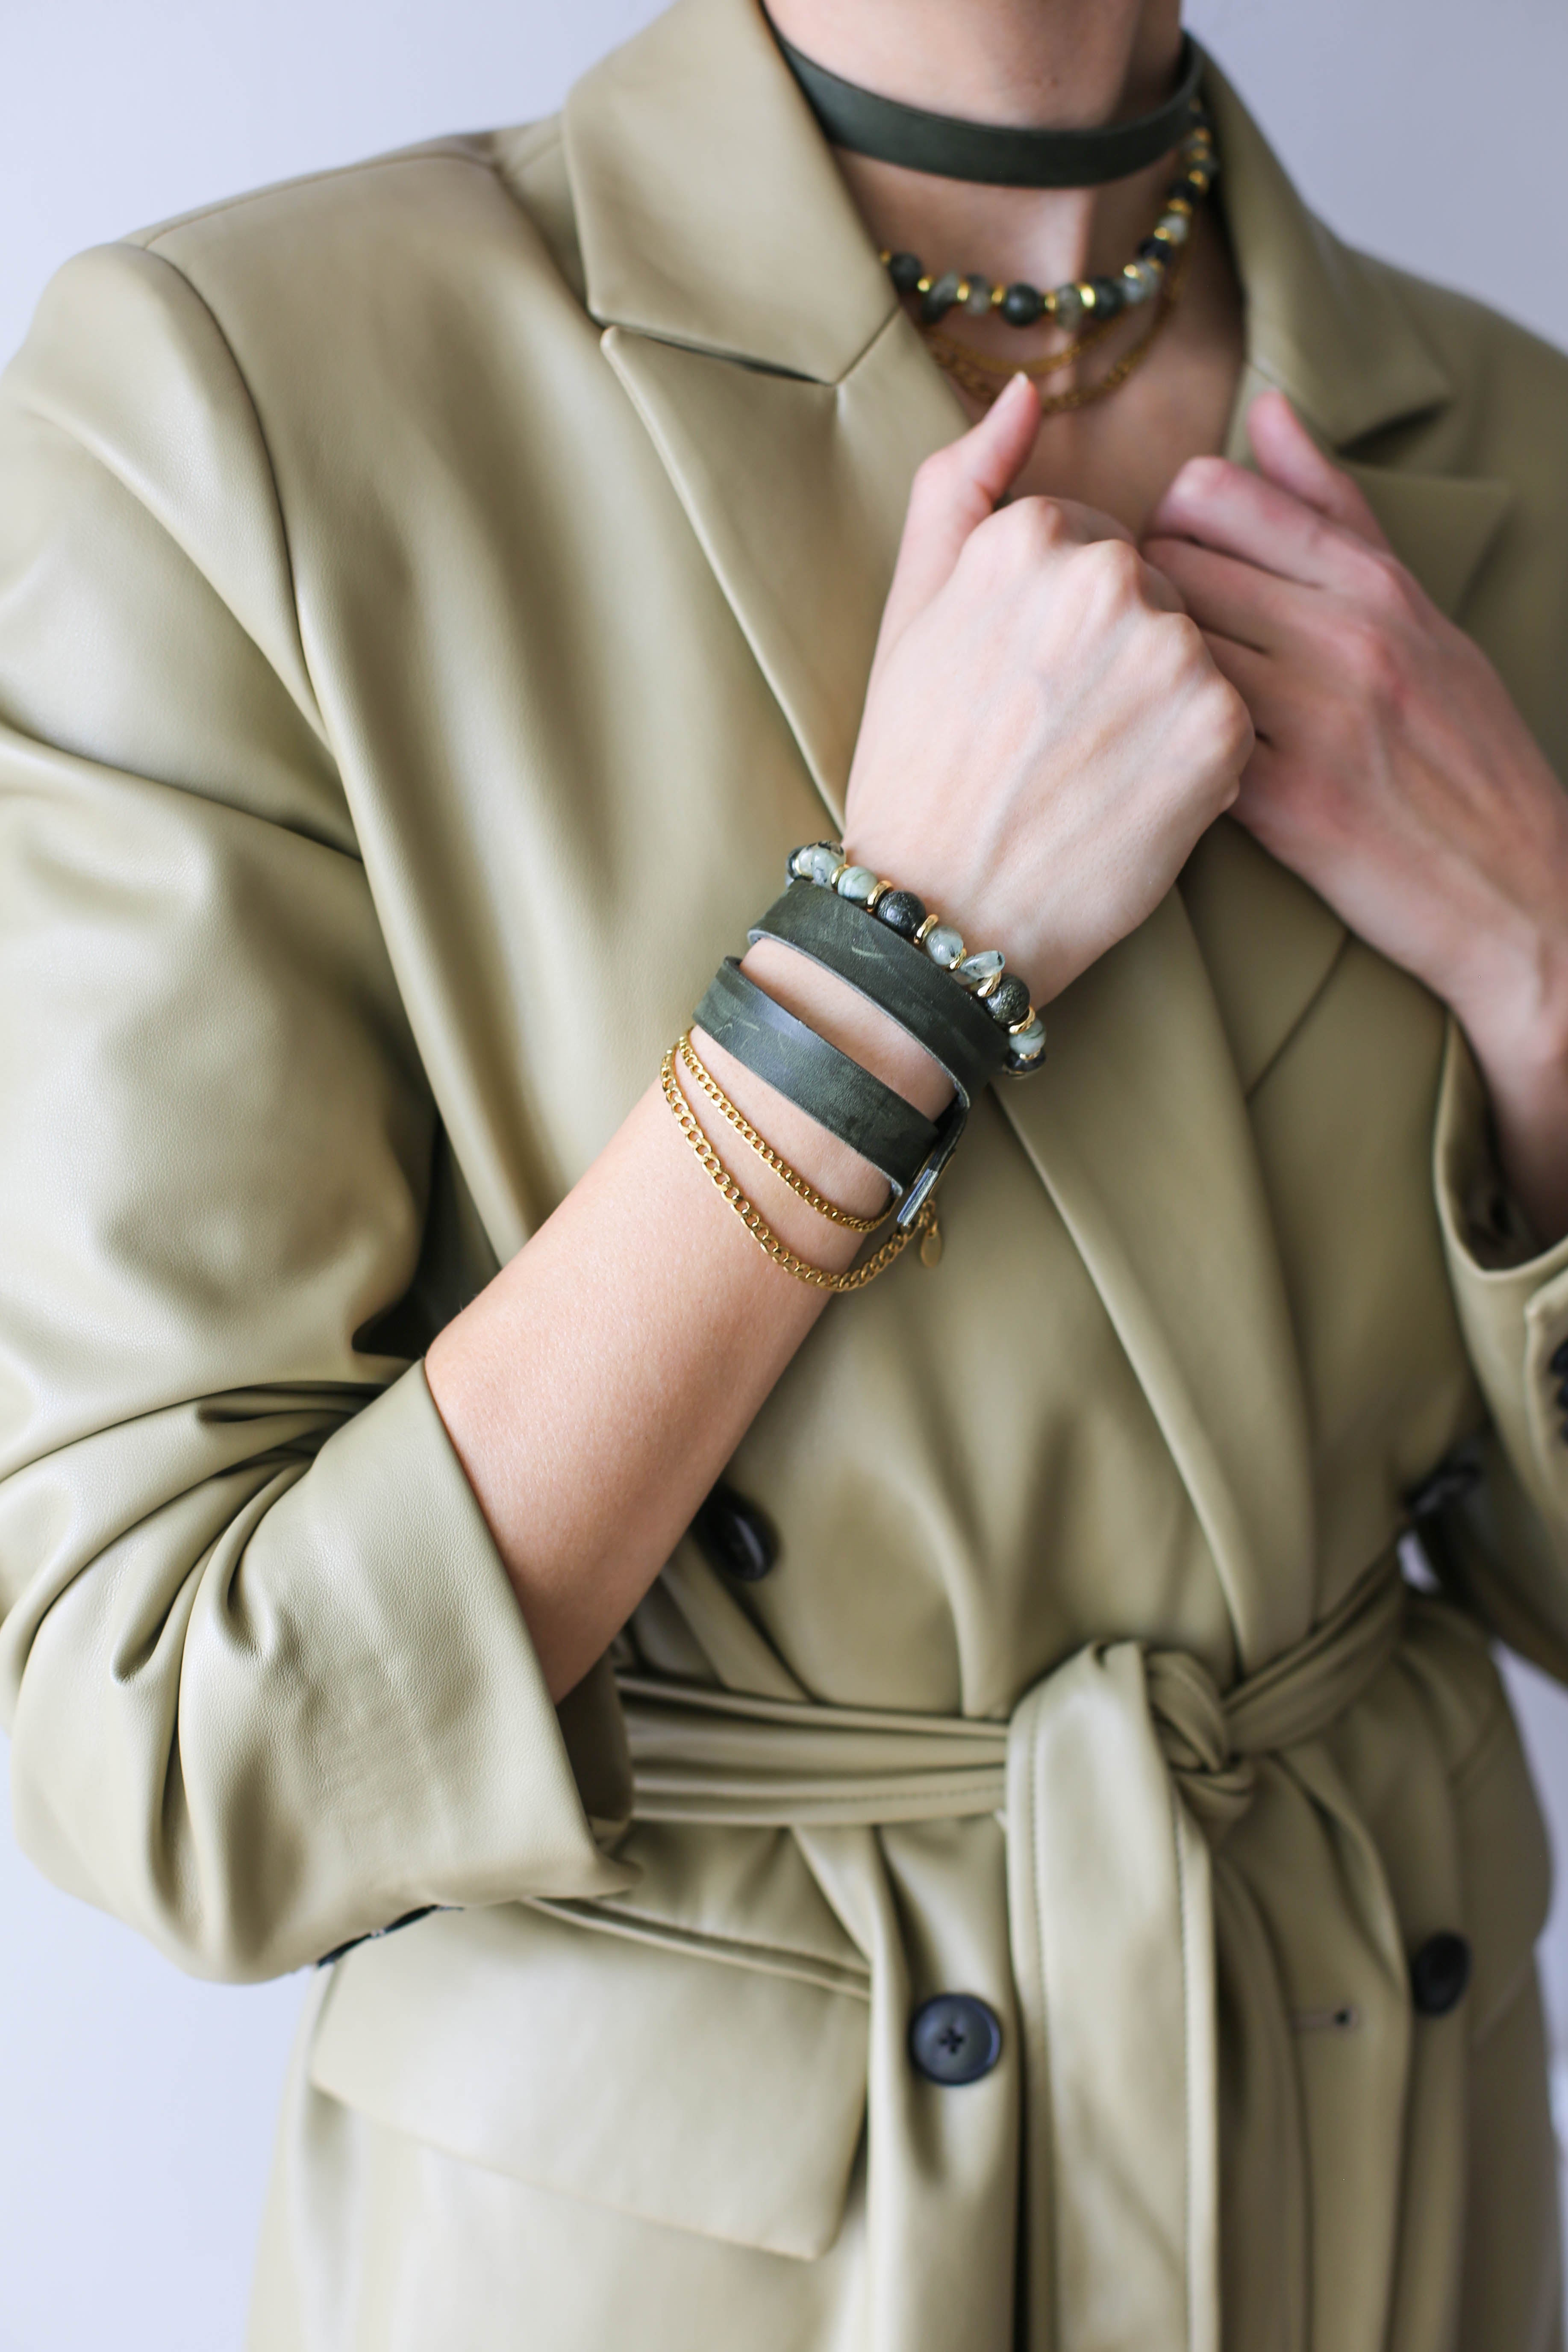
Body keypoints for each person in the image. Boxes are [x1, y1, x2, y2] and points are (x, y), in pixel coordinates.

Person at [2, 0, 1566, 2342]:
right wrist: (879, 982)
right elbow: (187, 1748)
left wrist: (1544, 964)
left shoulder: (1517, 436)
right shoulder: (241, 398)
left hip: (1372, 2192)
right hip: (700, 2263)